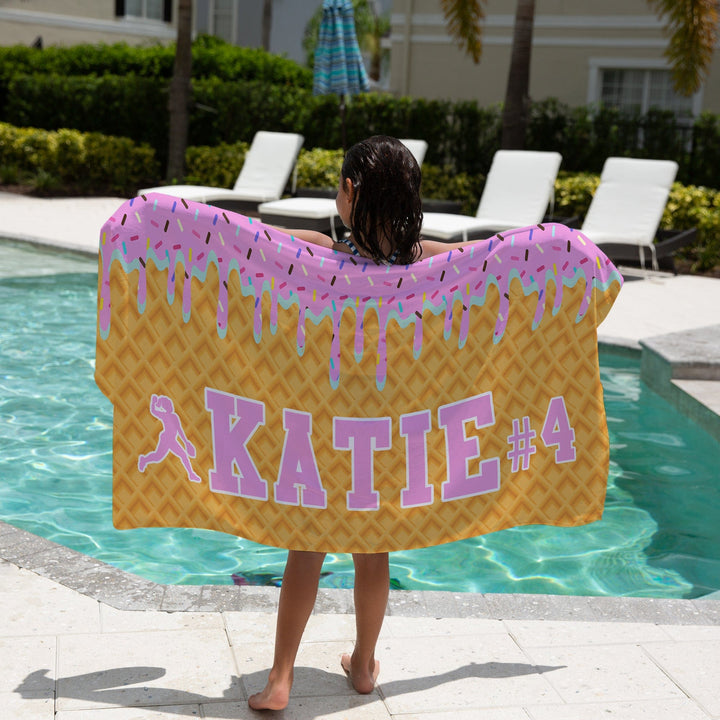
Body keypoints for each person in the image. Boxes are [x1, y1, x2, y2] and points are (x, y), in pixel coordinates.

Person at [248, 135, 458, 711]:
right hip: (387, 435)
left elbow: (234, 241)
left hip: (319, 430)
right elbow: (498, 255)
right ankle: (363, 665)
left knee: (305, 549)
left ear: (347, 192)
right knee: (374, 552)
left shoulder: (318, 253)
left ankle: (281, 679)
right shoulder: (423, 263)